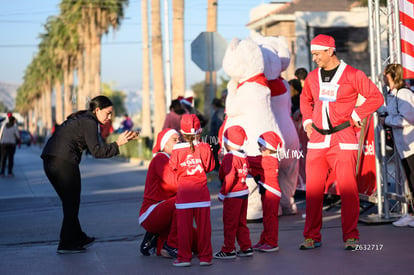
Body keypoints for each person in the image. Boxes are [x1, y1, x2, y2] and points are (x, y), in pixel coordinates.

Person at [299, 34, 384, 250]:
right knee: (313, 193)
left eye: (317, 54)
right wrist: (308, 121)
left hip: (343, 139)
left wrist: (357, 114)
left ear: (330, 50)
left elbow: (376, 97)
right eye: (313, 54)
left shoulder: (354, 74)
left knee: (348, 191)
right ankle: (311, 236)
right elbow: (305, 99)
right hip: (317, 140)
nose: (314, 58)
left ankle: (351, 236)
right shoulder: (311, 77)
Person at [41, 95, 138, 254]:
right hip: (62, 162)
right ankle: (66, 244)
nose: (109, 117)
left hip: (51, 161)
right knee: (71, 203)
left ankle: (78, 237)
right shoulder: (90, 122)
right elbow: (97, 152)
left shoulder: (84, 118)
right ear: (97, 110)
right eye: (107, 113)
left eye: (111, 114)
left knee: (70, 202)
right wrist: (118, 143)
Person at [169, 114, 215, 267]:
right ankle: (205, 257)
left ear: (182, 132)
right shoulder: (205, 147)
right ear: (199, 131)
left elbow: (173, 168)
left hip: (184, 197)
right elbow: (209, 167)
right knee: (204, 229)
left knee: (184, 229)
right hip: (201, 195)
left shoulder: (176, 149)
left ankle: (184, 257)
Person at [380, 63, 414, 227]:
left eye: (385, 76)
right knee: (409, 180)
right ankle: (412, 213)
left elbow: (408, 118)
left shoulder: (404, 94)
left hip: (411, 144)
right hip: (402, 145)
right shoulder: (392, 95)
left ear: (390, 76)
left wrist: (386, 120)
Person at [138, 128, 180, 257]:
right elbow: (174, 186)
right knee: (183, 200)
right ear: (164, 143)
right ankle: (169, 245)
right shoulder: (161, 158)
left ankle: (158, 243)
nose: (178, 142)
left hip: (166, 210)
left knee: (195, 242)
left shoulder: (173, 159)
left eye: (179, 140)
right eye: (175, 140)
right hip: (152, 211)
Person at [214, 125, 253, 259]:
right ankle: (246, 246)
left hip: (232, 195)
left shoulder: (229, 157)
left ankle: (229, 249)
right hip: (243, 193)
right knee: (241, 223)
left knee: (230, 223)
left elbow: (228, 177)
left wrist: (223, 193)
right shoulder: (243, 156)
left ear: (226, 142)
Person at [248, 131, 283, 253]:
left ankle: (272, 242)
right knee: (267, 217)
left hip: (271, 194)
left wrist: (236, 156)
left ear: (269, 147)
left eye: (261, 146)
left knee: (270, 218)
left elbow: (250, 161)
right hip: (266, 192)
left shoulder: (268, 160)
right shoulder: (266, 158)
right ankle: (264, 239)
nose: (259, 148)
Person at [209, 98, 225, 171]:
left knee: (216, 153)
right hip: (221, 136)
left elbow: (217, 126)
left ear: (214, 105)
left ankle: (218, 167)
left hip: (216, 137)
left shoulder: (217, 113)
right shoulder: (223, 111)